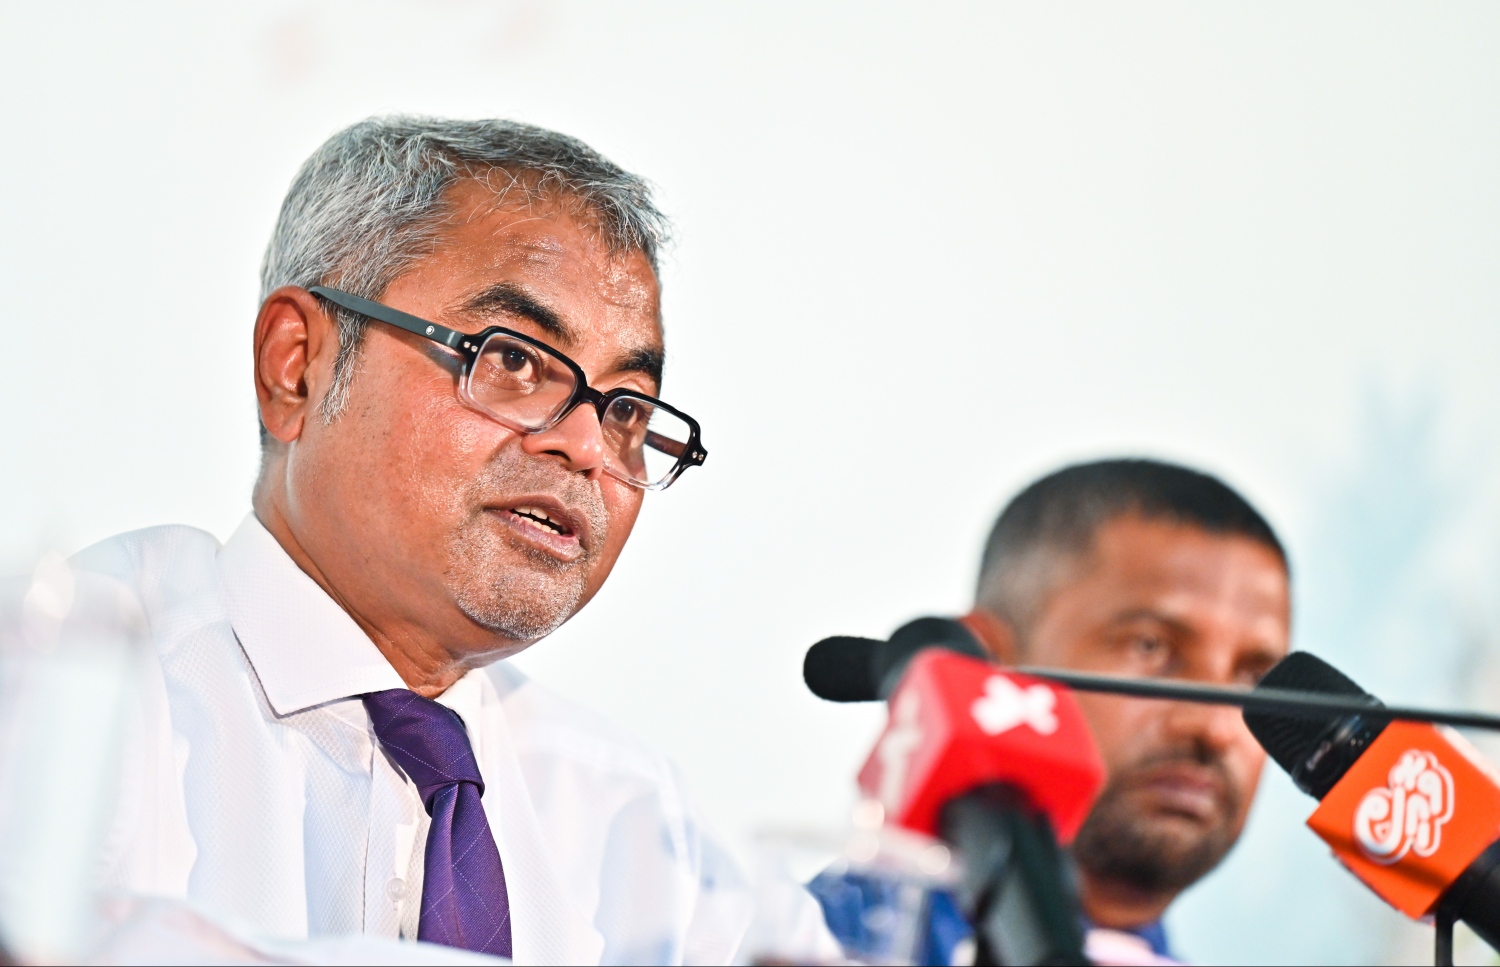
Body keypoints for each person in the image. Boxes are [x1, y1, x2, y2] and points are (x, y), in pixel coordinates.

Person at [51, 116, 833, 965]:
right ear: (298, 364)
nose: (586, 445)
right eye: (515, 361)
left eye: (626, 409)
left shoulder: (632, 820)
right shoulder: (82, 695)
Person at [958, 458, 1292, 963]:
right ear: (983, 660)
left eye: (1254, 678)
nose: (1215, 727)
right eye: (1150, 647)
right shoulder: (839, 938)